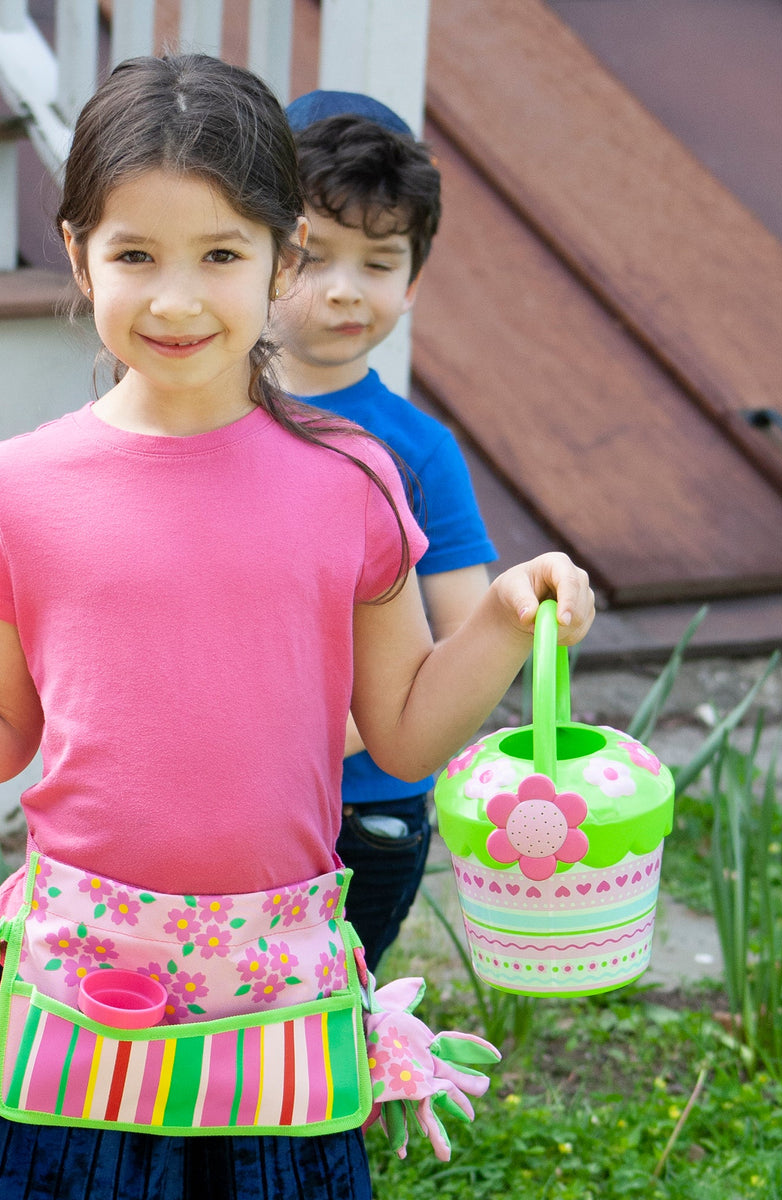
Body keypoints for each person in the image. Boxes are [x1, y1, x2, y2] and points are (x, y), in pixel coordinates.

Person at [0, 55, 593, 1200]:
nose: (176, 299)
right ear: (79, 251)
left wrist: (501, 616)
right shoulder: (22, 484)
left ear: (282, 256)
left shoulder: (354, 483)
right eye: (136, 255)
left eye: (221, 255)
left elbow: (407, 732)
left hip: (278, 990)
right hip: (83, 986)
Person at [272, 90, 498, 972]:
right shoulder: (197, 427)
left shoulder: (417, 451)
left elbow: (469, 633)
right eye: (311, 255)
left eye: (377, 261)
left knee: (329, 1034)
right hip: (218, 808)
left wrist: (330, 738)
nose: (342, 289)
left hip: (368, 814)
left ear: (411, 280)